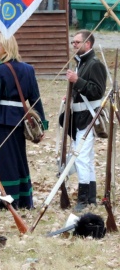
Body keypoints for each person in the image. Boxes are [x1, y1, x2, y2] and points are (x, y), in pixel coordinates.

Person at [0, 33, 48, 210]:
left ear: (5, 47)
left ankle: (8, 200)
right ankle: (25, 199)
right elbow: (35, 99)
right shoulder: (28, 69)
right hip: (21, 119)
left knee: (5, 161)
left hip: (3, 120)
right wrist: (42, 125)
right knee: (19, 158)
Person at [66, 30, 107, 211]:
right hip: (80, 117)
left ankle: (83, 199)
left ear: (87, 44)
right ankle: (90, 198)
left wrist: (77, 81)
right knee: (86, 158)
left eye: (77, 42)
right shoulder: (82, 63)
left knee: (81, 158)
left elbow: (97, 91)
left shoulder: (95, 64)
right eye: (73, 42)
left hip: (89, 117)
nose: (74, 45)